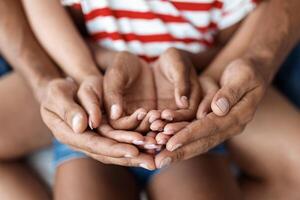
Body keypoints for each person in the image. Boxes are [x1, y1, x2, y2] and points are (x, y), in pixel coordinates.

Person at [0, 0, 299, 199]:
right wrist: (85, 72)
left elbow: (239, 36)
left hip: (184, 117)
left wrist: (199, 72)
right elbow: (41, 7)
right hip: (95, 108)